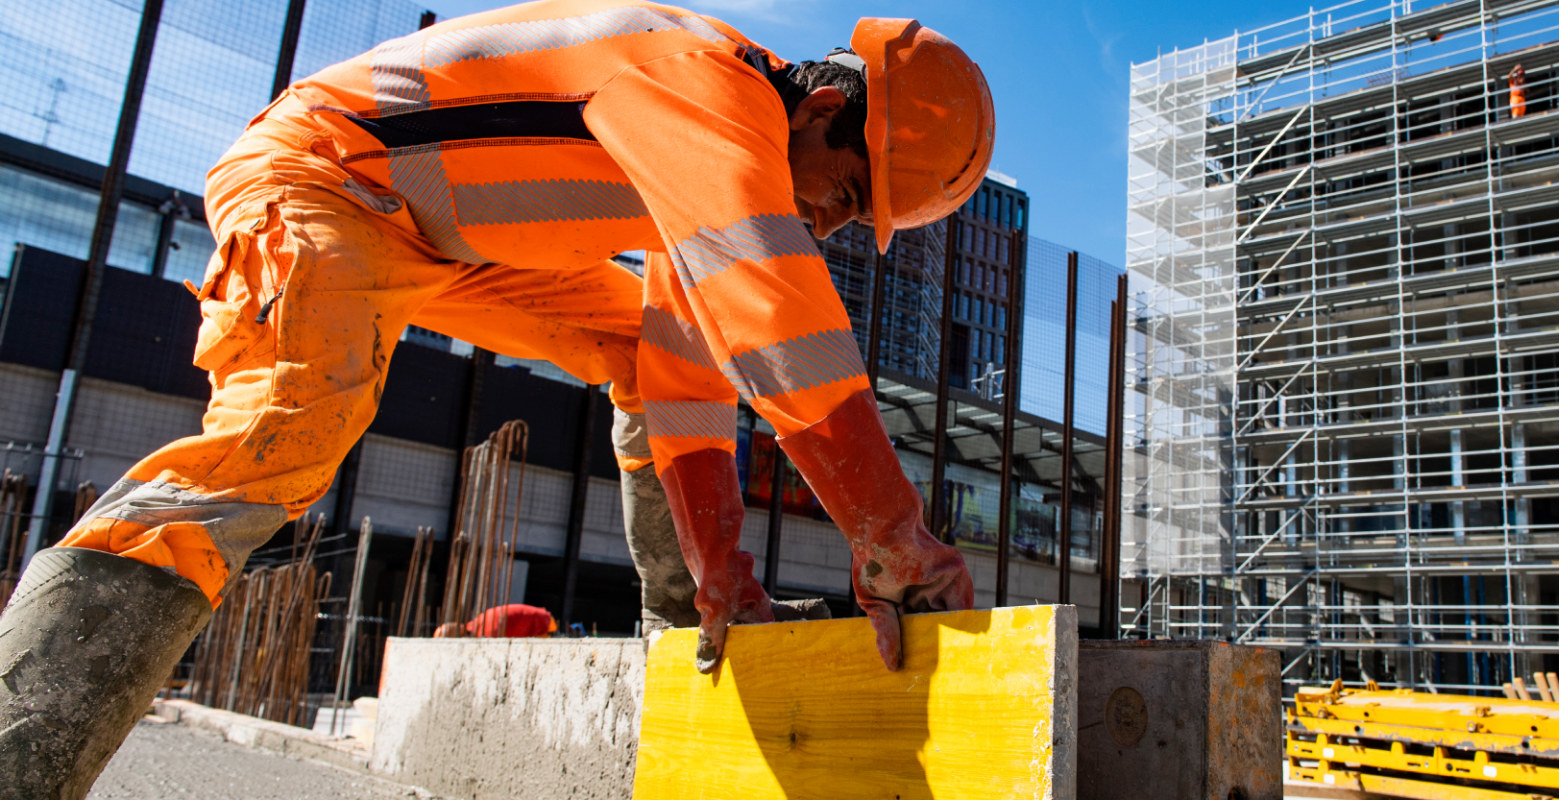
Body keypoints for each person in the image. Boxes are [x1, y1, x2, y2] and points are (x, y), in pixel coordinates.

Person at [0, 3, 989, 794]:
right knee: (293, 420)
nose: (831, 226)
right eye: (848, 194)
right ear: (821, 115)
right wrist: (890, 529)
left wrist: (729, 566)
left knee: (635, 343)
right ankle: (20, 745)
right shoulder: (707, 85)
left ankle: (696, 619)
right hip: (329, 175)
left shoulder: (710, 160)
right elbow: (780, 316)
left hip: (442, 231)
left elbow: (685, 370)